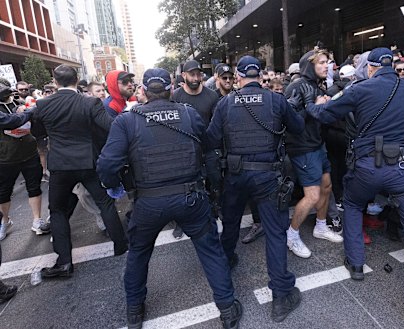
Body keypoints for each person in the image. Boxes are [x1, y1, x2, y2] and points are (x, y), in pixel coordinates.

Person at [304, 47, 404, 329]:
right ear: (394, 66)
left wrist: (310, 104)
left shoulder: (361, 88)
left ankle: (356, 264)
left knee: (352, 204)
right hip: (403, 170)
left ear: (372, 68)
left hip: (367, 169)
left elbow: (325, 114)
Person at [96, 68, 242, 329]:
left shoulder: (127, 121)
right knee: (210, 251)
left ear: (143, 90)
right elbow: (208, 146)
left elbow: (107, 165)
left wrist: (115, 187)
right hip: (191, 198)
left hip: (149, 202)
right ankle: (228, 308)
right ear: (171, 86)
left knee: (138, 254)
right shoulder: (188, 114)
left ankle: (134, 311)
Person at [206, 56, 304, 323]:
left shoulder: (225, 103)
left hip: (235, 175)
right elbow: (298, 128)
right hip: (268, 175)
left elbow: (212, 139)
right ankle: (281, 297)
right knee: (275, 233)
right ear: (260, 75)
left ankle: (226, 261)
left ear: (238, 76)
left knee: (231, 224)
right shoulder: (276, 99)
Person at [31, 65, 128, 279]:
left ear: (55, 82)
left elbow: (37, 132)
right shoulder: (89, 102)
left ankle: (64, 262)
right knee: (105, 203)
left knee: (57, 210)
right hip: (87, 161)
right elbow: (109, 126)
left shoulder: (43, 104)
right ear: (77, 80)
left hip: (60, 165)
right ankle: (121, 245)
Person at [284, 48, 343, 260]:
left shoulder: (316, 85)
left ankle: (320, 226)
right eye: (321, 62)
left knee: (326, 186)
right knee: (313, 195)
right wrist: (312, 108)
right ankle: (291, 234)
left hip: (318, 145)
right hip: (302, 148)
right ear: (310, 65)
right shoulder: (297, 86)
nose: (326, 66)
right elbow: (287, 119)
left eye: (327, 62)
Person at [171, 60, 219, 239]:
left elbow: (217, 123)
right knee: (184, 186)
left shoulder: (211, 96)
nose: (196, 78)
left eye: (198, 74)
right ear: (184, 76)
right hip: (184, 151)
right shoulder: (175, 96)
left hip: (207, 149)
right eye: (192, 74)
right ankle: (181, 222)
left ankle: (213, 210)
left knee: (214, 181)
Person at [0, 80, 49, 239]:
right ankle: (5, 221)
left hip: (29, 153)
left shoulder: (21, 103)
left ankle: (37, 219)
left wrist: (29, 113)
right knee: (3, 192)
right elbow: (9, 121)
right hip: (5, 158)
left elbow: (36, 124)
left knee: (34, 186)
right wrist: (27, 112)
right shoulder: (21, 107)